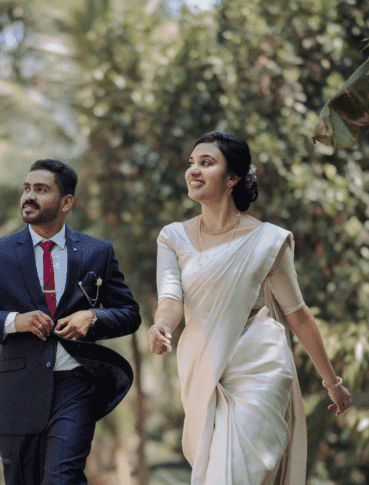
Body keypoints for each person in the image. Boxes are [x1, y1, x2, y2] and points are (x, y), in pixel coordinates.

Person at [148, 132, 352, 484]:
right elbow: (171, 300)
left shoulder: (268, 240)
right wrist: (161, 325)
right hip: (203, 367)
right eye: (191, 163)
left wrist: (331, 381)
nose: (193, 170)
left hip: (259, 368)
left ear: (232, 179)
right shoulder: (172, 237)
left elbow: (298, 314)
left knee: (236, 475)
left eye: (206, 163)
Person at [0, 159, 141, 485]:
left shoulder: (97, 252)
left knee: (61, 479)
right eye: (26, 189)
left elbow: (129, 313)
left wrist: (92, 317)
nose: (29, 196)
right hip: (17, 392)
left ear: (66, 202)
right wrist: (13, 321)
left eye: (41, 189)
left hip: (75, 385)